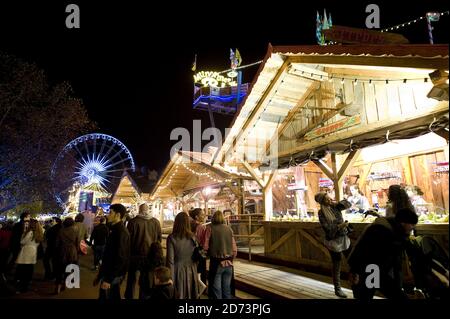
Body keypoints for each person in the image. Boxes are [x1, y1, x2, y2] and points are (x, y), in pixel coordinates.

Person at [347, 208, 419, 300]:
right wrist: (354, 271)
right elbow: (362, 249)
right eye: (412, 224)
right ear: (403, 223)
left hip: (380, 271)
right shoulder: (380, 231)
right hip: (368, 271)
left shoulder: (398, 233)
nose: (413, 227)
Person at [315, 192, 352, 298]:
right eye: (327, 199)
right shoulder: (321, 213)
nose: (330, 200)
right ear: (322, 202)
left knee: (352, 260)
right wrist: (340, 226)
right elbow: (327, 229)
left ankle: (355, 283)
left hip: (344, 238)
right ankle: (338, 289)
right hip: (333, 241)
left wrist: (336, 201)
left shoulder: (335, 207)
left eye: (330, 198)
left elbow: (348, 204)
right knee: (337, 265)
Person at [125, 203, 162, 299]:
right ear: (148, 210)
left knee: (131, 279)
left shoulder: (133, 222)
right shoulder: (156, 222)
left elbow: (128, 240)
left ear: (139, 210)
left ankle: (129, 296)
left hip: (135, 255)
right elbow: (159, 240)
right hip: (150, 256)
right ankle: (143, 297)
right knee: (146, 281)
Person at [94, 203, 130, 300]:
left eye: (110, 213)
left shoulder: (121, 232)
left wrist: (109, 279)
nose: (107, 215)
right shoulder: (114, 229)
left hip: (113, 275)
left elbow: (120, 257)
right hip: (110, 273)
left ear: (118, 215)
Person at [204, 210, 237, 299]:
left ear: (213, 218)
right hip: (229, 262)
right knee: (227, 289)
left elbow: (205, 246)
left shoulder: (210, 228)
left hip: (216, 262)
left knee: (216, 289)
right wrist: (230, 257)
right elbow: (234, 249)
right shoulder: (229, 229)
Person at [166, 212, 199, 299]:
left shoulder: (171, 238)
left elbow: (170, 261)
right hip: (192, 269)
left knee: (179, 295)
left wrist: (170, 278)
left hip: (177, 270)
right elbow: (197, 256)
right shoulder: (193, 237)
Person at [15, 219, 44, 293]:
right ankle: (26, 285)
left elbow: (22, 241)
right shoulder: (39, 233)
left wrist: (23, 234)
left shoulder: (30, 233)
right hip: (33, 252)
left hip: (26, 252)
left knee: (23, 270)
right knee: (29, 270)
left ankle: (22, 287)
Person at [54, 217, 79, 294]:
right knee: (68, 268)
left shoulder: (61, 231)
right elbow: (77, 242)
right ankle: (64, 283)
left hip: (62, 250)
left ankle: (58, 284)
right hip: (72, 251)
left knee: (60, 268)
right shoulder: (75, 231)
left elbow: (57, 243)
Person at [189, 208, 208, 284]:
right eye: (202, 215)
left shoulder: (190, 225)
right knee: (201, 271)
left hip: (191, 251)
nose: (204, 216)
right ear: (196, 217)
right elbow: (202, 241)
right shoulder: (200, 227)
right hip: (199, 252)